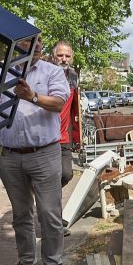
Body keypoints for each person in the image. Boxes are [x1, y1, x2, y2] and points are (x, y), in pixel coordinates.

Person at [0, 36, 70, 265]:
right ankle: (27, 261)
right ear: (17, 45)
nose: (38, 45)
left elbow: (59, 104)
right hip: (10, 154)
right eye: (30, 42)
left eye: (40, 41)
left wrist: (32, 96)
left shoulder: (52, 71)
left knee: (49, 213)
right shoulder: (0, 73)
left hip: (44, 153)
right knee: (21, 213)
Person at [51, 40, 80, 189]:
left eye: (67, 56)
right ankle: (48, 199)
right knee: (49, 173)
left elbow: (74, 107)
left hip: (64, 136)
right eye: (60, 55)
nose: (64, 59)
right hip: (47, 135)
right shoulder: (46, 74)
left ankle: (49, 194)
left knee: (67, 173)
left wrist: (77, 134)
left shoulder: (73, 76)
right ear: (53, 56)